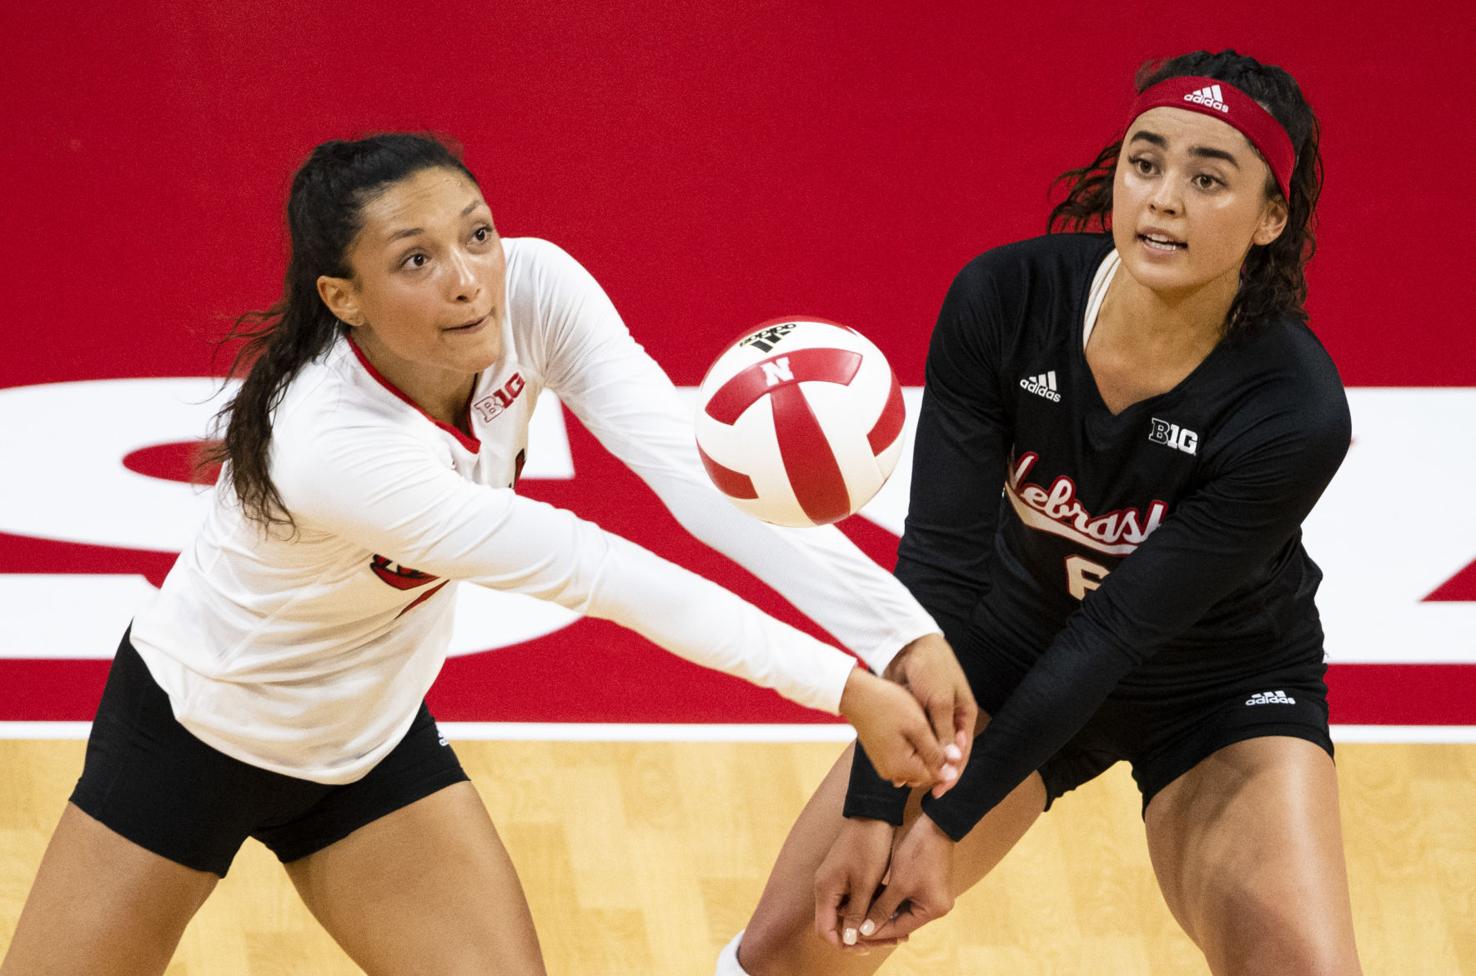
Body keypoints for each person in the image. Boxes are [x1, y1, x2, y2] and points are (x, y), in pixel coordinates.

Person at [0, 134, 977, 976]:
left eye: (477, 233)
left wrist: (899, 635)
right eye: (415, 260)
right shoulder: (335, 444)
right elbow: (599, 568)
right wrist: (847, 687)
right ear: (344, 295)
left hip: (368, 745)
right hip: (196, 737)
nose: (469, 276)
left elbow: (691, 472)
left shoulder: (534, 287)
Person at [722, 49, 1363, 976]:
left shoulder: (1292, 409)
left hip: (1216, 691)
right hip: (1002, 653)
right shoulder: (1008, 299)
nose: (1164, 198)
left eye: (1207, 177)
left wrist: (945, 820)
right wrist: (874, 804)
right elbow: (937, 568)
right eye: (1146, 163)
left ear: (1272, 218)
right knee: (794, 949)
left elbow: (1115, 633)